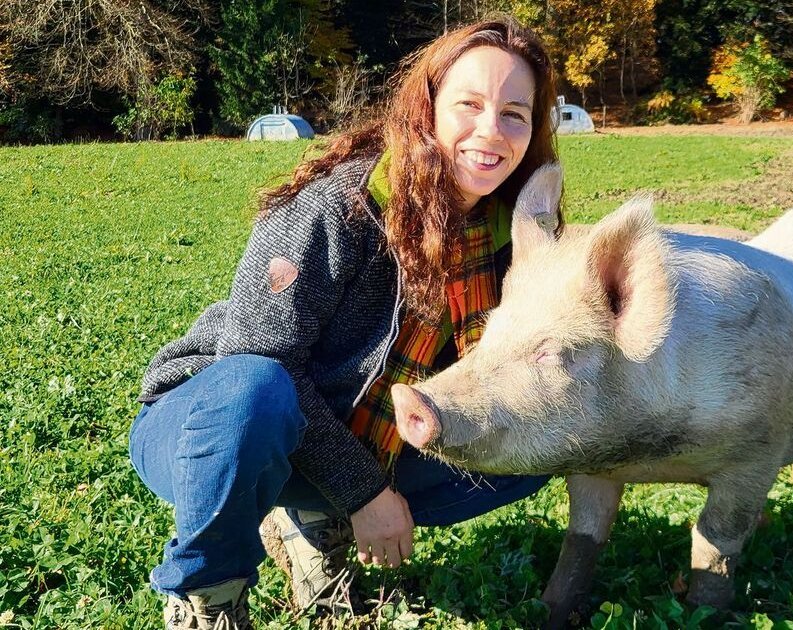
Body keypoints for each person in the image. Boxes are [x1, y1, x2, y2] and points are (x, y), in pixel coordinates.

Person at [129, 17, 560, 629]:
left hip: (354, 440)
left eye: (515, 112)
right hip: (207, 431)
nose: (492, 129)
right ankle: (207, 594)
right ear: (428, 106)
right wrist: (366, 495)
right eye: (470, 103)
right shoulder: (337, 208)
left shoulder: (509, 230)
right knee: (257, 388)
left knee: (539, 442)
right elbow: (257, 361)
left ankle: (313, 519)